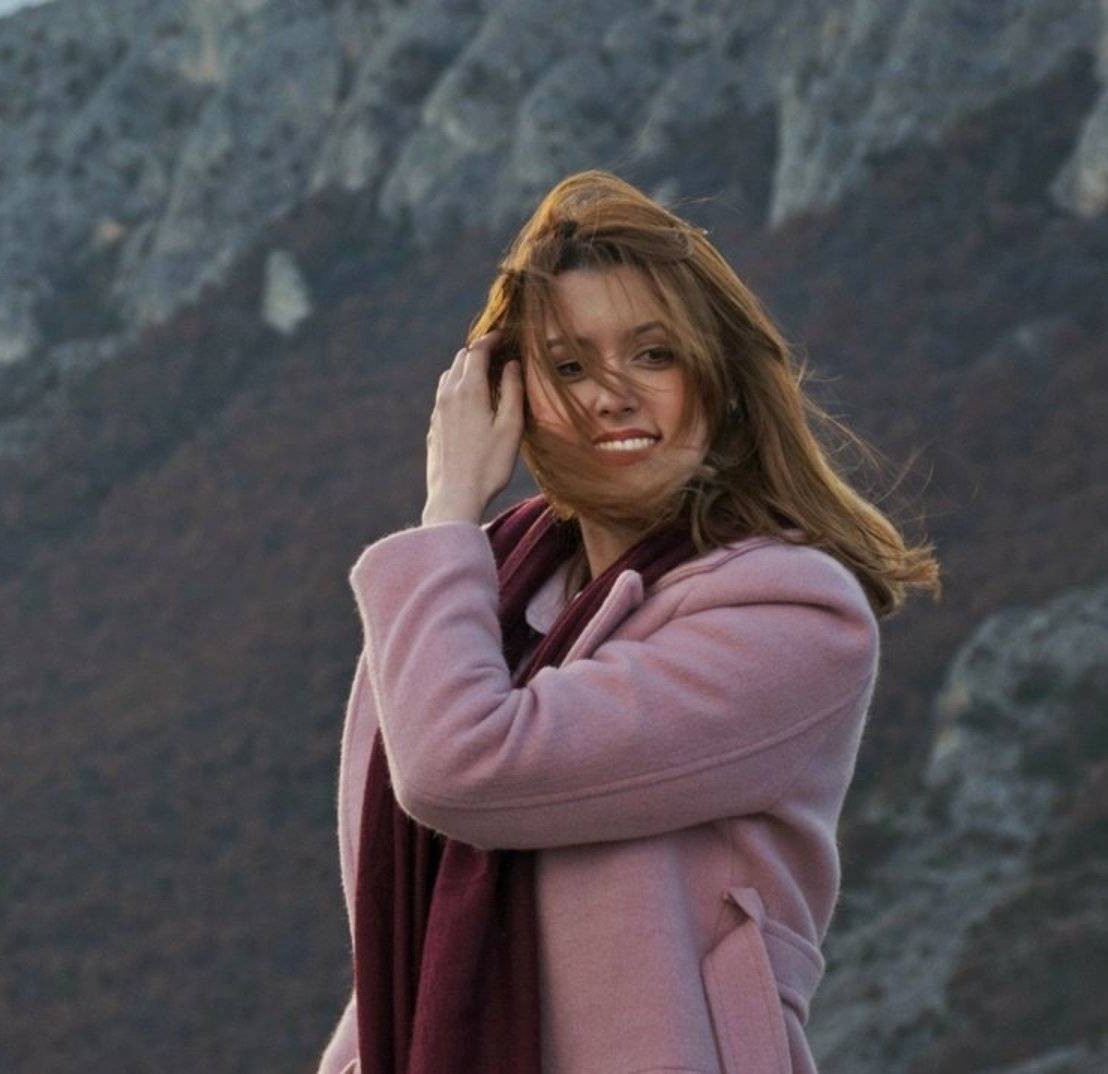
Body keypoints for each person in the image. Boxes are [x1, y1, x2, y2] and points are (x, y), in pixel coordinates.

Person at [313, 169, 941, 1074]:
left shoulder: (794, 617)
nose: (613, 394)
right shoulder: (463, 595)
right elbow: (403, 945)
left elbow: (462, 767)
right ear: (509, 396)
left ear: (721, 381)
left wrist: (447, 506)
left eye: (655, 355)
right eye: (570, 366)